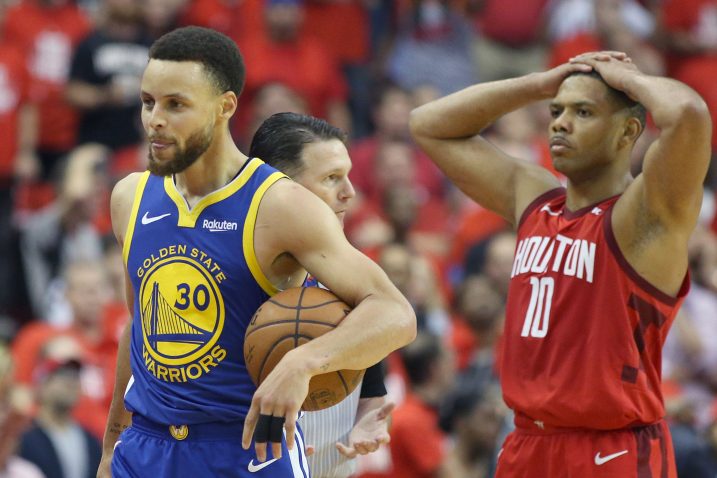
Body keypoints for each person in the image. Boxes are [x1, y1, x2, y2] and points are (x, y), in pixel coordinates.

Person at [97, 26, 415, 478]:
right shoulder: (129, 196)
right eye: (148, 102)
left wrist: (303, 362)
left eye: (176, 105)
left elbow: (395, 313)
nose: (155, 120)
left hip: (247, 449)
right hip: (144, 449)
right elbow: (139, 332)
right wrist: (112, 445)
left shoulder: (280, 204)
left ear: (226, 107)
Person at [410, 50, 711, 477]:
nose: (560, 123)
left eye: (583, 112)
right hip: (526, 442)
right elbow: (427, 125)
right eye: (556, 111)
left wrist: (627, 79)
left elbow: (688, 113)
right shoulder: (535, 196)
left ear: (627, 132)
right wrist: (540, 83)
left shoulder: (643, 215)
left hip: (611, 448)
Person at [248, 112, 394, 478]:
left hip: (329, 467)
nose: (350, 192)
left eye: (347, 175)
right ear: (281, 189)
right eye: (331, 179)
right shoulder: (233, 276)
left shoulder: (355, 279)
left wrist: (367, 422)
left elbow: (371, 388)